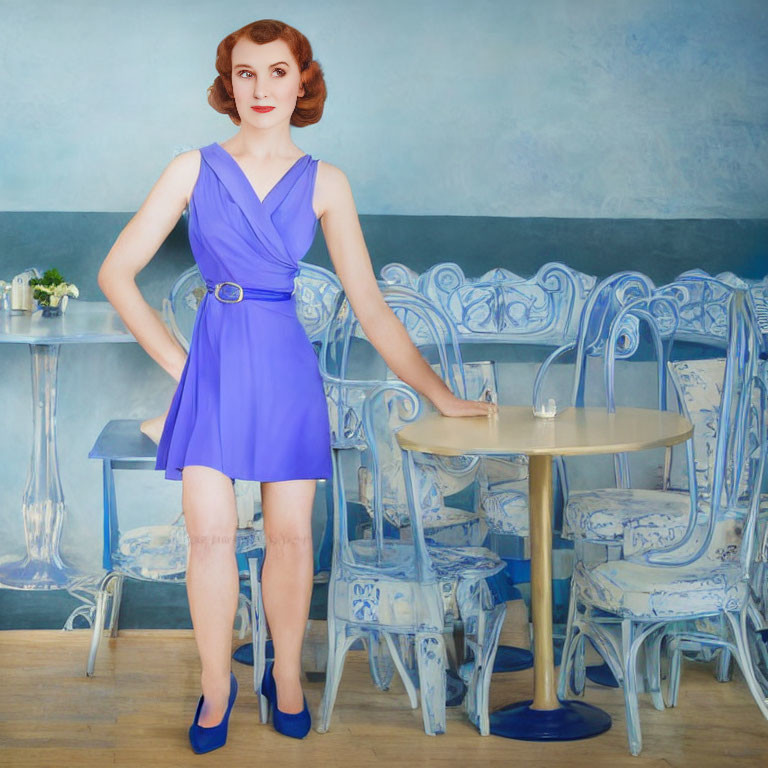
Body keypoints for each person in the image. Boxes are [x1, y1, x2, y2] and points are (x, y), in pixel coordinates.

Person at [97, 18, 497, 750]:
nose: (260, 88)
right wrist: (184, 368)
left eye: (276, 72)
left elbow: (370, 306)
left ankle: (285, 678)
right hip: (212, 370)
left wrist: (440, 394)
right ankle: (216, 690)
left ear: (301, 81)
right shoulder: (191, 169)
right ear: (229, 84)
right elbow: (115, 275)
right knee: (210, 538)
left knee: (289, 539)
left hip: (285, 370)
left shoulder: (327, 182)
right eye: (245, 73)